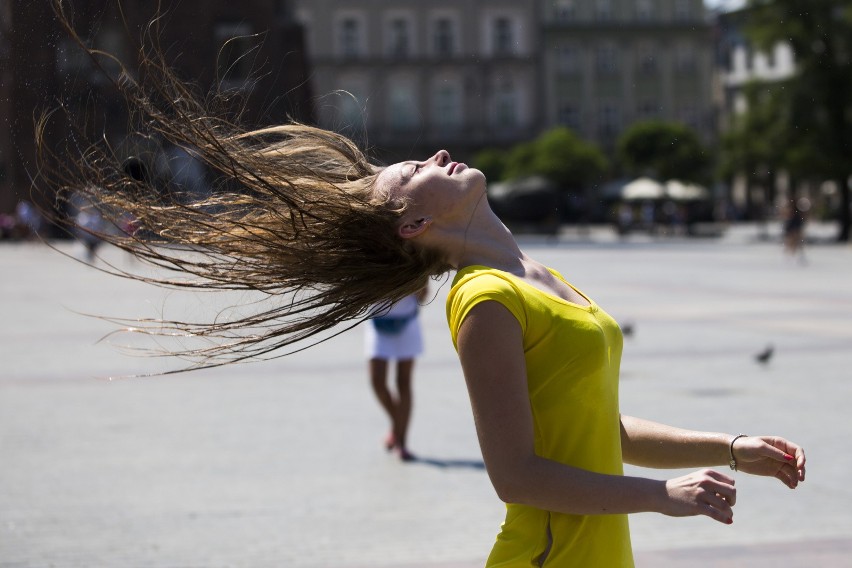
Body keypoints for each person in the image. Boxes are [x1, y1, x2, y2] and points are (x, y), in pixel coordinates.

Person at [39, 13, 806, 566]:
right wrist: (660, 496)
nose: (434, 154)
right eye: (412, 172)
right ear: (410, 226)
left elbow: (591, 424)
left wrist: (731, 449)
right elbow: (517, 475)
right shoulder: (485, 303)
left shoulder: (537, 278)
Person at [366, 286, 428, 461]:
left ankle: (401, 442)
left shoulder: (415, 258)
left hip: (407, 321)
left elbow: (424, 295)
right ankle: (397, 426)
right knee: (377, 381)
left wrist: (415, 285)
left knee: (404, 382)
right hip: (377, 322)